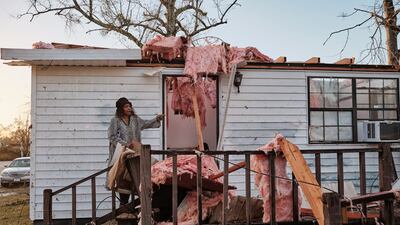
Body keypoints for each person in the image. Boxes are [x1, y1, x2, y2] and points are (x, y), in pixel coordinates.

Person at [107, 97, 163, 205]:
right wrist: (125, 144)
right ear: (120, 109)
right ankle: (124, 209)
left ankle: (138, 209)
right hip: (122, 155)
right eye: (126, 106)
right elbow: (112, 137)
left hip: (135, 153)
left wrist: (157, 119)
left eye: (129, 106)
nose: (129, 108)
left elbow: (146, 123)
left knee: (139, 178)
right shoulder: (115, 121)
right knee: (124, 184)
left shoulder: (135, 119)